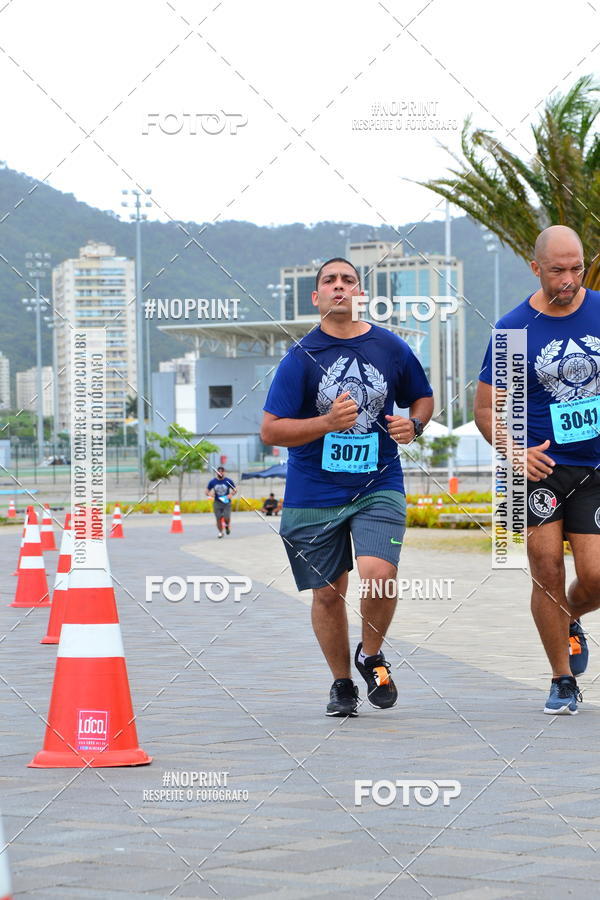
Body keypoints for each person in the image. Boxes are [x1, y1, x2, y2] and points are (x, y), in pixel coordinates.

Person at [261, 257, 433, 717]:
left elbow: (423, 395)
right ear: (316, 297)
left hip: (379, 482)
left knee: (379, 574)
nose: (340, 286)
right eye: (329, 281)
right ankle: (342, 684)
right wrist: (326, 422)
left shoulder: (390, 347)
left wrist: (414, 424)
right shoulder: (300, 357)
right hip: (314, 489)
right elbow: (271, 430)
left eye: (349, 280)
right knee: (327, 592)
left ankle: (371, 655)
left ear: (360, 293)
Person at [475, 225, 600, 715]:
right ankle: (561, 679)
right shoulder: (513, 330)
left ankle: (566, 617)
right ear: (535, 268)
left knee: (595, 576)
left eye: (576, 269)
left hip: (594, 467)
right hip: (537, 467)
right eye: (557, 271)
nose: (568, 280)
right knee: (545, 569)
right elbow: (487, 411)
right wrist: (514, 450)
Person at [205, 466, 237, 538]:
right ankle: (220, 532)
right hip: (217, 502)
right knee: (218, 518)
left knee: (226, 517)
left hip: (226, 502)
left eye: (222, 471)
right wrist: (210, 494)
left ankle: (227, 526)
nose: (220, 473)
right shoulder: (213, 482)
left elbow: (235, 490)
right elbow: (206, 491)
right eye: (219, 471)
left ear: (224, 472)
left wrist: (231, 494)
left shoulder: (228, 481)